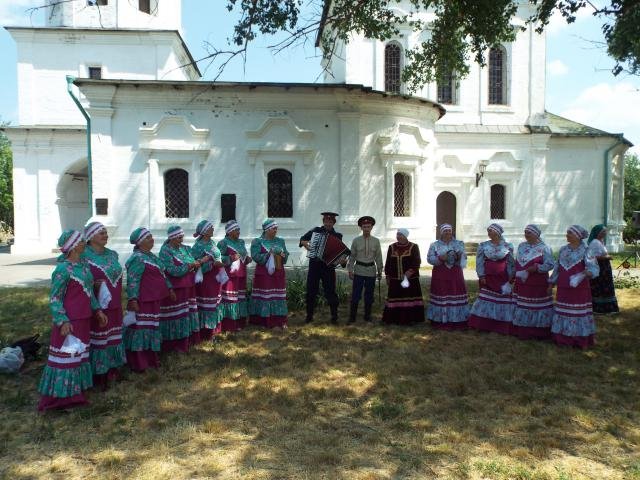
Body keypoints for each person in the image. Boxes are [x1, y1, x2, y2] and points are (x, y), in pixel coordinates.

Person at [38, 230, 108, 411]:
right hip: (70, 320)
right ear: (74, 246)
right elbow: (55, 298)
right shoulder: (62, 270)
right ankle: (60, 400)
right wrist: (62, 320)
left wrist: (98, 311)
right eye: (81, 241)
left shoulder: (83, 266)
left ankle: (76, 394)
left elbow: (89, 292)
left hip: (84, 318)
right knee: (67, 357)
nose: (84, 243)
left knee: (79, 357)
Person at [124, 228, 175, 372]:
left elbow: (163, 275)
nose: (152, 239)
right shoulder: (137, 258)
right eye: (148, 238)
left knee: (152, 328)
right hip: (143, 301)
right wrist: (133, 299)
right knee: (141, 330)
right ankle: (139, 362)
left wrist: (169, 288)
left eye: (151, 237)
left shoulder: (152, 256)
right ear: (140, 243)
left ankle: (151, 358)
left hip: (155, 299)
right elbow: (133, 280)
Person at [83, 222, 126, 389]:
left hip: (114, 302)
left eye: (106, 232)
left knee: (113, 336)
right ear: (91, 236)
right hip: (96, 305)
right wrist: (94, 285)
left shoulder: (112, 254)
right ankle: (99, 375)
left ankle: (113, 370)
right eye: (101, 233)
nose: (105, 235)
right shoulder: (84, 256)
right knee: (100, 337)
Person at [549, 225, 599, 348]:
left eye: (569, 233)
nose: (567, 235)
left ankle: (578, 339)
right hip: (563, 286)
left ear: (577, 236)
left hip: (579, 288)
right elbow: (557, 268)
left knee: (577, 312)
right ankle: (562, 337)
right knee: (563, 311)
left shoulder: (587, 250)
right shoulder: (563, 249)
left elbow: (594, 267)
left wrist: (588, 272)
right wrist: (552, 282)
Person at [158, 225, 201, 351]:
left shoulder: (185, 249)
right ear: (171, 238)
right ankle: (175, 344)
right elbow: (172, 271)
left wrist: (197, 264)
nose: (181, 240)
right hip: (176, 288)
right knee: (177, 315)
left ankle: (189, 340)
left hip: (189, 286)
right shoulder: (165, 251)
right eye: (178, 238)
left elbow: (192, 261)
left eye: (182, 237)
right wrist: (190, 266)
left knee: (188, 314)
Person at [468, 223, 515, 335]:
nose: (488, 233)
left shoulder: (508, 246)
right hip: (488, 277)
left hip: (502, 277)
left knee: (502, 300)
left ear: (497, 233)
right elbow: (479, 262)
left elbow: (511, 263)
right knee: (485, 299)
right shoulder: (483, 245)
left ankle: (500, 326)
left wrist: (511, 278)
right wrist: (481, 275)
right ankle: (483, 324)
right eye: (488, 231)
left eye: (491, 231)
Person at [299, 212, 346, 324]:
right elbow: (302, 240)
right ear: (323, 221)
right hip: (314, 266)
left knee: (331, 291)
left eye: (330, 221)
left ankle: (334, 316)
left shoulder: (337, 236)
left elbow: (341, 254)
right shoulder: (315, 231)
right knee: (311, 291)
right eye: (326, 221)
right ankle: (309, 316)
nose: (328, 223)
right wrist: (306, 244)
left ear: (333, 223)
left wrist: (343, 261)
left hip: (328, 268)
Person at [511, 224, 555, 339]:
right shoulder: (521, 246)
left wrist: (537, 268)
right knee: (523, 306)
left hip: (537, 283)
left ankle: (538, 332)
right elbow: (517, 262)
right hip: (523, 283)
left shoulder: (545, 248)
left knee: (536, 306)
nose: (526, 235)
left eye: (529, 233)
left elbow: (550, 264)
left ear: (536, 234)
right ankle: (522, 330)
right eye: (525, 232)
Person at [426, 224, 470, 330]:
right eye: (445, 231)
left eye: (449, 231)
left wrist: (460, 256)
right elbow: (429, 259)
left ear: (452, 232)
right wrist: (440, 258)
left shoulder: (459, 243)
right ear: (441, 232)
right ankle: (440, 320)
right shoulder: (434, 245)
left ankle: (457, 320)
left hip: (455, 273)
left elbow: (464, 258)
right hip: (440, 273)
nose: (448, 233)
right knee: (442, 294)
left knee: (455, 293)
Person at [249, 219, 290, 328]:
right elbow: (255, 256)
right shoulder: (257, 241)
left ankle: (280, 321)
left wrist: (283, 255)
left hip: (278, 272)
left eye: (276, 228)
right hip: (264, 274)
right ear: (267, 230)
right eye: (273, 228)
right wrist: (269, 254)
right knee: (265, 296)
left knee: (278, 297)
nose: (276, 230)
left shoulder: (280, 241)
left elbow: (285, 254)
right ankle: (264, 321)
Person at [381, 228, 425, 325]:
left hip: (410, 279)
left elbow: (417, 261)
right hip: (395, 279)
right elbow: (388, 262)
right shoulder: (392, 247)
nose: (399, 237)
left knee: (409, 297)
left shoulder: (413, 247)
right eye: (398, 235)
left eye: (401, 235)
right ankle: (394, 318)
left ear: (405, 236)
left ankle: (410, 319)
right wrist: (387, 275)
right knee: (395, 298)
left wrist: (410, 272)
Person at [191, 220, 225, 341]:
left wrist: (220, 262)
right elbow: (195, 266)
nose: (213, 229)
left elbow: (217, 256)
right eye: (210, 228)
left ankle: (215, 330)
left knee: (215, 303)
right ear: (205, 231)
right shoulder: (197, 247)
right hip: (205, 279)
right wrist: (210, 264)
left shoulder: (212, 243)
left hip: (215, 278)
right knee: (207, 305)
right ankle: (206, 332)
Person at [347, 216, 383, 323]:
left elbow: (378, 256)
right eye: (364, 227)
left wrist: (380, 270)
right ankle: (352, 317)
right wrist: (350, 269)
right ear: (361, 228)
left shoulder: (376, 241)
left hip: (371, 270)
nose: (366, 228)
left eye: (368, 226)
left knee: (369, 294)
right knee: (356, 294)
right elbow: (352, 256)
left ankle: (367, 316)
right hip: (359, 270)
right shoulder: (356, 241)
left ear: (371, 228)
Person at [217, 220, 252, 332]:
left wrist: (247, 259)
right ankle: (229, 325)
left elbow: (243, 256)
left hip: (241, 274)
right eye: (236, 230)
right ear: (229, 231)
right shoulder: (223, 243)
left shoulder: (241, 242)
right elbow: (219, 258)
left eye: (239, 230)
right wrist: (230, 258)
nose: (239, 232)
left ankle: (240, 323)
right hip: (230, 276)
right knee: (230, 300)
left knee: (240, 299)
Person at [587, 224, 619, 314]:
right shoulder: (595, 243)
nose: (605, 233)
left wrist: (606, 257)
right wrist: (607, 257)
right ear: (598, 232)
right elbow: (593, 257)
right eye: (603, 231)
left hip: (604, 268)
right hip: (599, 268)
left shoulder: (600, 241)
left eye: (605, 231)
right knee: (600, 286)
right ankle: (599, 308)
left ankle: (607, 308)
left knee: (605, 286)